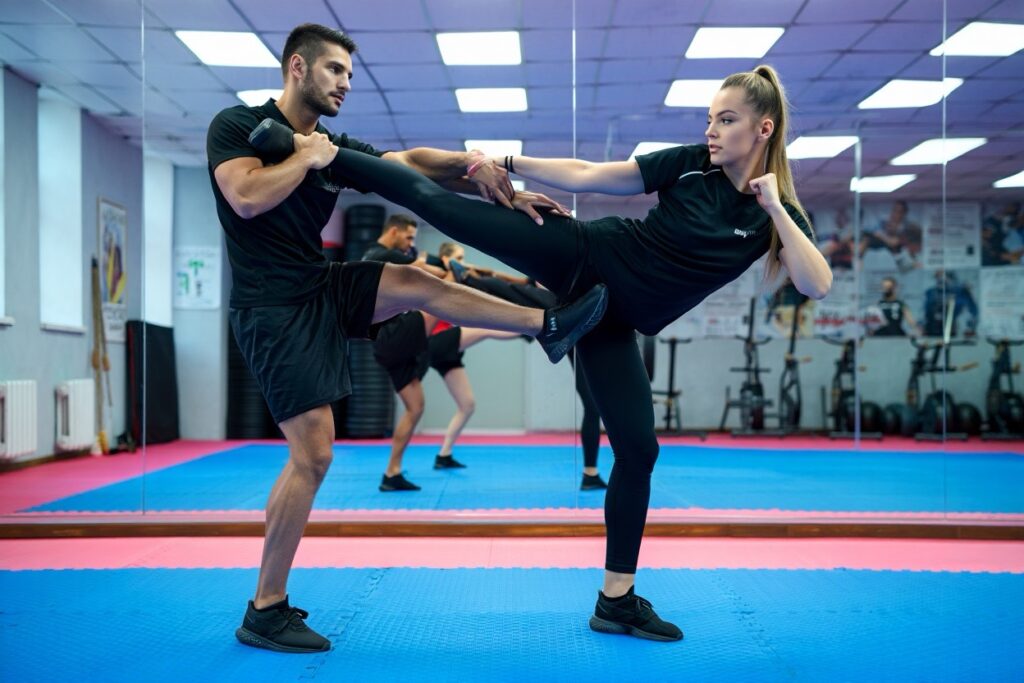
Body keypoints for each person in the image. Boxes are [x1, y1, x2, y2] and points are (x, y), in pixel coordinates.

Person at [253, 64, 832, 642]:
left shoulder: (774, 214)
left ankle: (617, 600)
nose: (710, 131)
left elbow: (816, 283)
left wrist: (776, 207)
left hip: (610, 320)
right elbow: (593, 175)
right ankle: (322, 152)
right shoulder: (690, 164)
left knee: (639, 450)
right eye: (709, 119)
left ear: (763, 129)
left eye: (725, 120)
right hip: (583, 256)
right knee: (444, 209)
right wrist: (508, 162)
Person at [208, 23, 608, 654]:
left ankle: (547, 325)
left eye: (349, 73)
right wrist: (305, 159)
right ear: (297, 67)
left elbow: (409, 165)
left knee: (416, 279)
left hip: (318, 283)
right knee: (313, 456)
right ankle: (265, 608)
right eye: (334, 69)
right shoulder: (237, 125)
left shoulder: (331, 146)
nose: (345, 83)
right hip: (270, 305)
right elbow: (245, 196)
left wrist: (476, 167)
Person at [432, 242, 607, 489]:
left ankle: (591, 473)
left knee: (593, 406)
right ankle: (591, 472)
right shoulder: (443, 276)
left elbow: (517, 285)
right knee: (533, 307)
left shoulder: (565, 280)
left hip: (580, 334)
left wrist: (474, 274)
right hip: (577, 331)